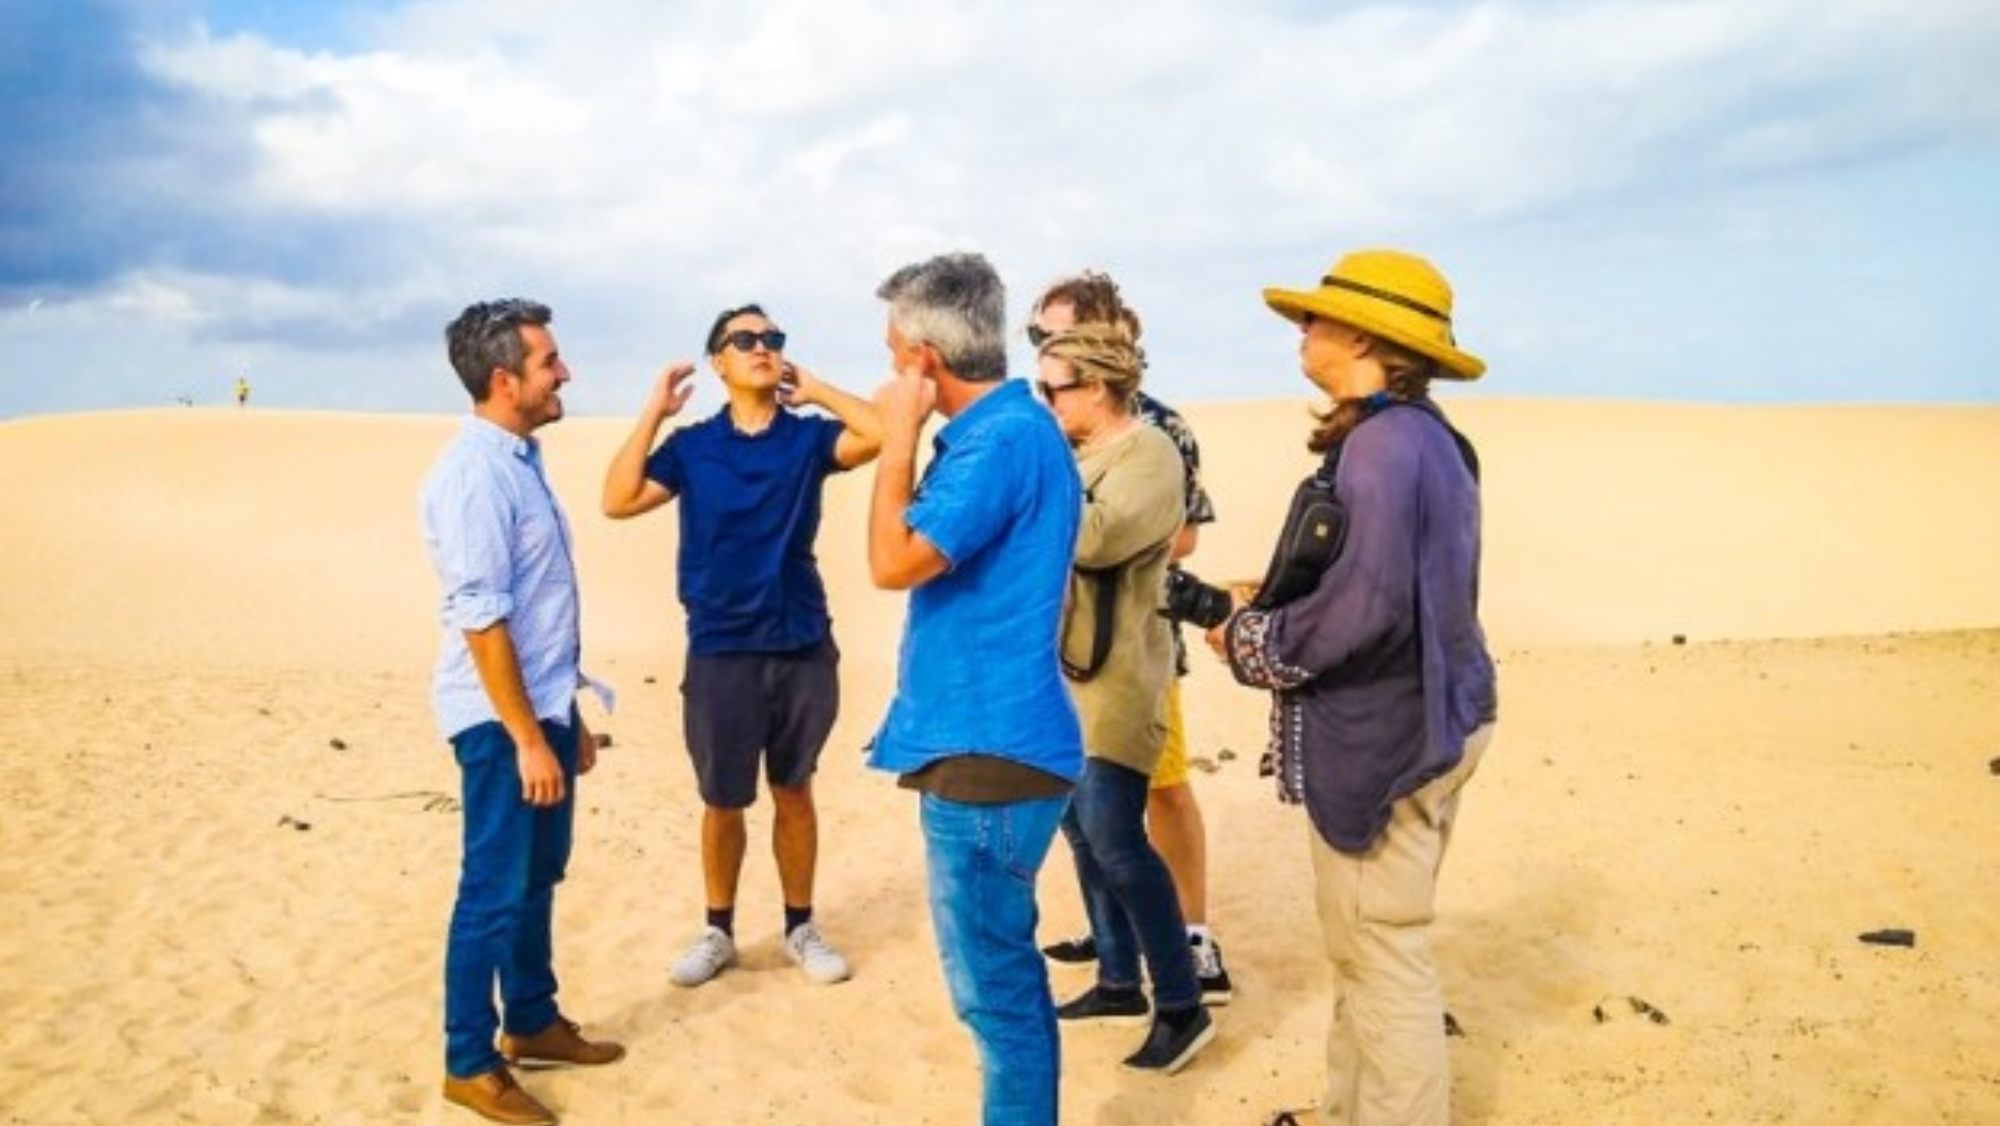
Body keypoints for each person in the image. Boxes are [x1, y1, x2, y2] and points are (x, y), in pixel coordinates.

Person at [1207, 250, 1498, 1126]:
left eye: (1316, 317)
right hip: (1437, 718)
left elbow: (1365, 610)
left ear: (1364, 334)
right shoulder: (1430, 439)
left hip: (1392, 737)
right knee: (1368, 949)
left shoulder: (1382, 445)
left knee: (1385, 954)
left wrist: (1255, 640)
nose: (1304, 329)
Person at [602, 303, 882, 988]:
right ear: (719, 363)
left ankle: (799, 925)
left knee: (794, 788)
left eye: (773, 338)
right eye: (745, 340)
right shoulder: (694, 448)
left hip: (800, 643)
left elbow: (878, 433)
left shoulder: (807, 440)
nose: (763, 347)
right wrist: (655, 414)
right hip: (721, 646)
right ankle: (718, 930)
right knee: (723, 798)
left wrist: (815, 389)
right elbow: (618, 498)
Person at [864, 252, 1083, 1126]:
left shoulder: (996, 445)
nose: (887, 370)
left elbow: (892, 561)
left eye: (892, 354)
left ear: (922, 358)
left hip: (988, 755)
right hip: (995, 747)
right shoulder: (1011, 430)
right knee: (1004, 982)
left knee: (995, 996)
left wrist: (896, 438)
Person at [421, 299, 625, 1126]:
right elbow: (481, 615)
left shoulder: (517, 459)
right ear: (505, 380)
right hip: (499, 721)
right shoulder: (474, 474)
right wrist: (523, 737)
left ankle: (531, 1020)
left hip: (540, 709)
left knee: (537, 877)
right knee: (492, 890)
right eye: (550, 362)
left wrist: (562, 718)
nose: (565, 372)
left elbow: (537, 611)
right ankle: (468, 1062)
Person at [1026, 271, 1232, 1004]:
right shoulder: (1061, 437)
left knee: (1156, 798)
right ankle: (1118, 961)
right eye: (1037, 339)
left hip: (1138, 647)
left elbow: (1174, 537)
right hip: (1068, 659)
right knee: (1088, 825)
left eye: (1056, 339)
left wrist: (1091, 530)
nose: (1043, 356)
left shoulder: (1158, 435)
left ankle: (1192, 948)